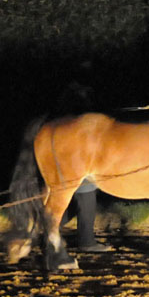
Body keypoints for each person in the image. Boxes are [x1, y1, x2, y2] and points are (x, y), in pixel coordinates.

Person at [57, 62, 112, 253]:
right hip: (78, 154)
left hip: (74, 152)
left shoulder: (68, 94)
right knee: (86, 196)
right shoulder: (78, 96)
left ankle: (46, 225)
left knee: (71, 200)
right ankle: (86, 241)